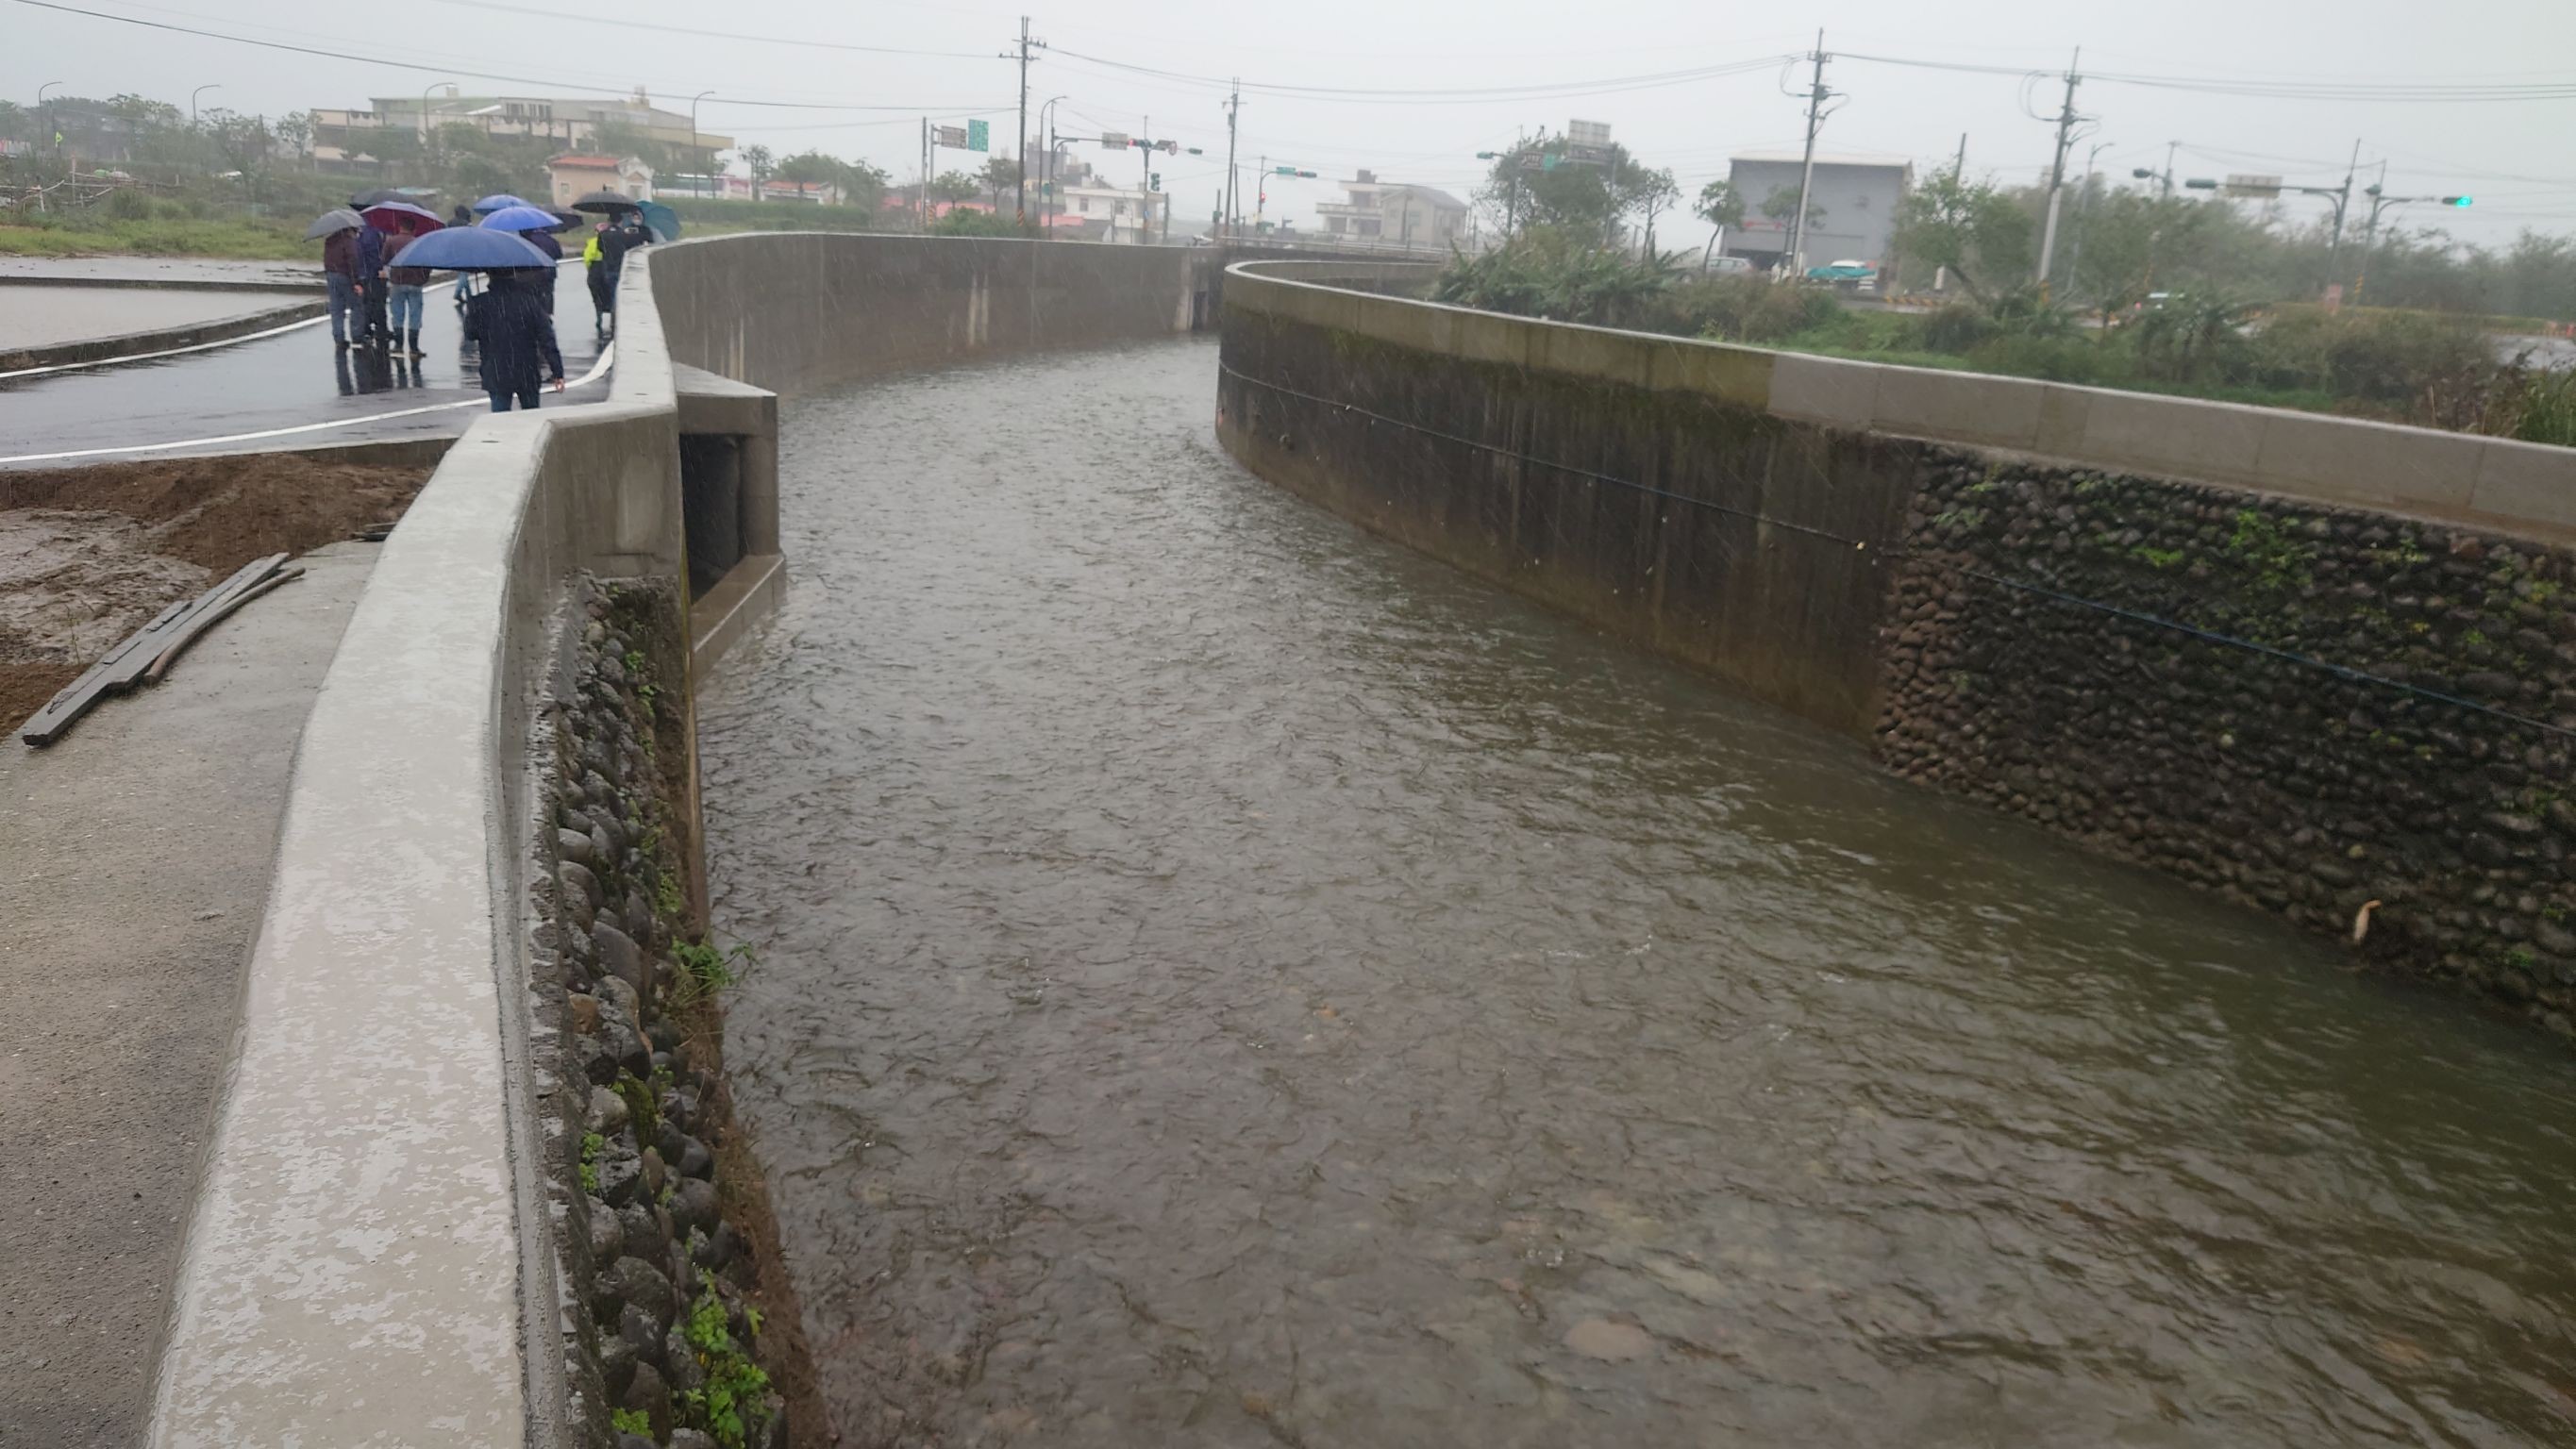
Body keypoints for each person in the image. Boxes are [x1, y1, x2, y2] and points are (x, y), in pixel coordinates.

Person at [467, 268, 564, 411]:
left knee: (500, 420)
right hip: (527, 370)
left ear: (488, 275)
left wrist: (473, 313)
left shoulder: (481, 303)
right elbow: (547, 338)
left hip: (496, 370)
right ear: (514, 274)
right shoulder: (529, 301)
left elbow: (470, 334)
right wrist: (557, 371)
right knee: (532, 419)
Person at [383, 225, 430, 358]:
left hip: (397, 281)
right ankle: (414, 348)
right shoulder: (418, 242)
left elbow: (384, 259)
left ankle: (398, 346)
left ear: (400, 227)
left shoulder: (391, 241)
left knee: (397, 315)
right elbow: (427, 262)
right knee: (415, 315)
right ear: (413, 229)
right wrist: (424, 278)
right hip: (415, 283)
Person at [320, 223, 363, 349]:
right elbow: (353, 260)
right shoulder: (349, 242)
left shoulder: (330, 240)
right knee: (356, 305)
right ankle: (356, 336)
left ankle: (339, 338)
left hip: (331, 275)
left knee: (336, 308)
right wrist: (356, 282)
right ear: (351, 229)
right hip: (344, 276)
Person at [356, 222, 390, 345]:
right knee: (378, 301)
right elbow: (375, 254)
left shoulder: (360, 231)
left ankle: (368, 329)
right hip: (374, 273)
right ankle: (380, 329)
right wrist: (380, 267)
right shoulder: (374, 232)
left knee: (367, 301)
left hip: (363, 272)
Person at [582, 222, 612, 339]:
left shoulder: (592, 242)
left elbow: (587, 258)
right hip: (606, 269)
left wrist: (590, 269)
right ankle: (611, 315)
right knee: (609, 295)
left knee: (597, 297)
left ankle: (599, 315)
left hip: (595, 271)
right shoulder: (609, 242)